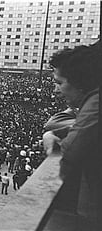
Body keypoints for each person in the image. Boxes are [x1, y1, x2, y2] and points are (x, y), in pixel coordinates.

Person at [43, 44, 102, 223]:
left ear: (79, 81)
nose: (55, 90)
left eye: (60, 83)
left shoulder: (95, 103)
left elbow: (69, 154)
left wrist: (50, 139)